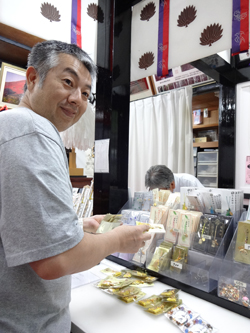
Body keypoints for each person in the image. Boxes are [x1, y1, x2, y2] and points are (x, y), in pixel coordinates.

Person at [0, 40, 151, 333]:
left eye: (85, 93)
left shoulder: (11, 126)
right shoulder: (32, 130)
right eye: (68, 82)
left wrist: (75, 227)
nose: (77, 99)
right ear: (32, 78)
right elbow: (55, 261)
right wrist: (119, 240)